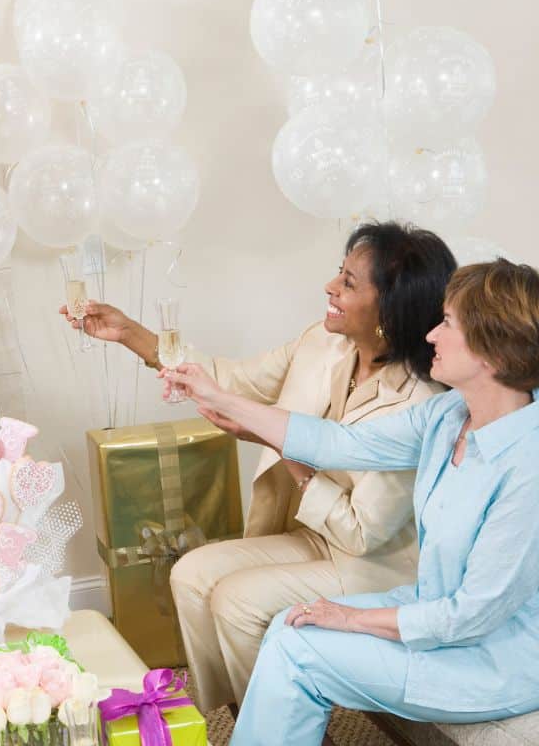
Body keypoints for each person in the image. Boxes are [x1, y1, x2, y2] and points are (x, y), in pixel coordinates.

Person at [63, 222, 456, 712]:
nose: (330, 287)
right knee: (190, 574)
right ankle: (249, 718)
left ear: (390, 308)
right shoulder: (323, 342)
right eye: (339, 273)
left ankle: (279, 724)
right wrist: (130, 334)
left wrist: (291, 455)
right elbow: (233, 381)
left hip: (371, 563)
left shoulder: (418, 402)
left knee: (236, 600)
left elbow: (362, 534)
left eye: (350, 283)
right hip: (309, 533)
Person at [164, 259, 539, 745]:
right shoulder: (448, 416)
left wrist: (352, 618)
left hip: (491, 660)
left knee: (300, 652)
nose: (430, 336)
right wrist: (220, 397)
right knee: (289, 623)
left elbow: (470, 616)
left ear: (492, 351)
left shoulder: (526, 466)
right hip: (436, 615)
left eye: (447, 323)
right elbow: (337, 443)